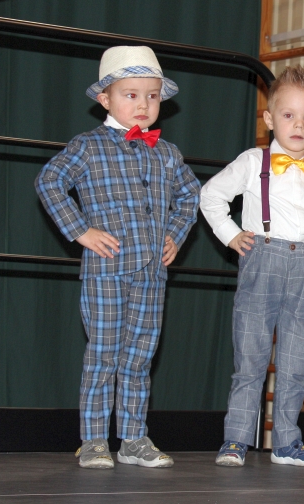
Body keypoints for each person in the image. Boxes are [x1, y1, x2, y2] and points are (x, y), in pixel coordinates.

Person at [35, 46, 201, 469]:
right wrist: (81, 230)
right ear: (104, 99)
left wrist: (174, 235)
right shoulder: (88, 146)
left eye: (152, 95)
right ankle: (93, 440)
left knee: (139, 357)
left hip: (152, 275)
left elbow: (190, 195)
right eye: (131, 94)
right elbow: (50, 181)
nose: (143, 104)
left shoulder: (167, 153)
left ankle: (133, 438)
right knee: (104, 354)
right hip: (106, 272)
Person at [200, 66, 304, 468]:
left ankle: (286, 442)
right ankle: (236, 440)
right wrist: (231, 235)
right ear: (270, 119)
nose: (298, 125)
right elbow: (211, 196)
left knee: (295, 361)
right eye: (289, 115)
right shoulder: (253, 162)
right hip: (262, 260)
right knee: (250, 357)